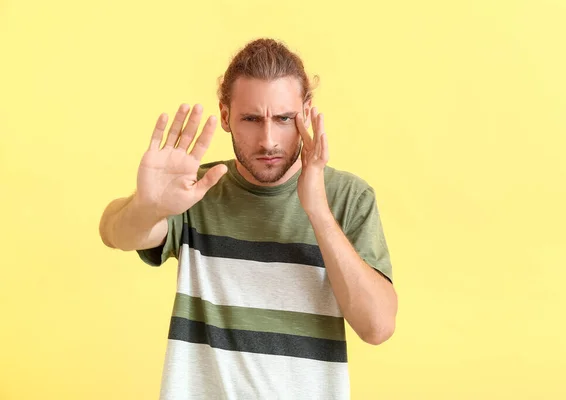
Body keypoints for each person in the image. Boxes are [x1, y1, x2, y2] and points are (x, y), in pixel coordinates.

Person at [99, 38, 397, 400]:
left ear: (305, 111)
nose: (268, 140)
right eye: (252, 119)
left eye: (284, 119)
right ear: (225, 116)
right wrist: (149, 206)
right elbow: (115, 232)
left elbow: (377, 327)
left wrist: (317, 208)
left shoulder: (348, 198)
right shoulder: (197, 190)